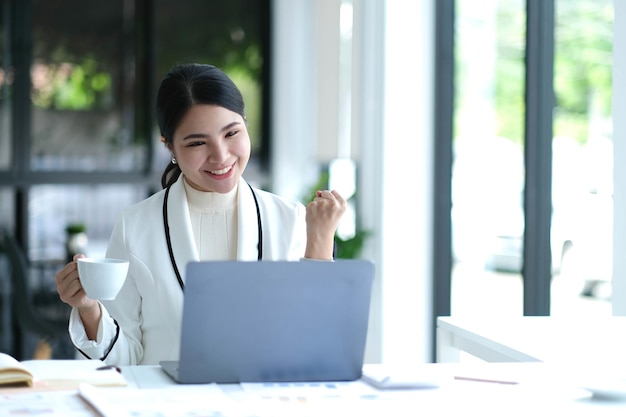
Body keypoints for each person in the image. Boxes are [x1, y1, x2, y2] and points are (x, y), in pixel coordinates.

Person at [54, 63, 346, 365]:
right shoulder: (136, 226)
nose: (221, 156)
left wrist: (321, 241)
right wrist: (89, 308)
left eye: (231, 133)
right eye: (197, 143)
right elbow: (124, 360)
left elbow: (315, 344)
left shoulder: (289, 219)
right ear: (169, 146)